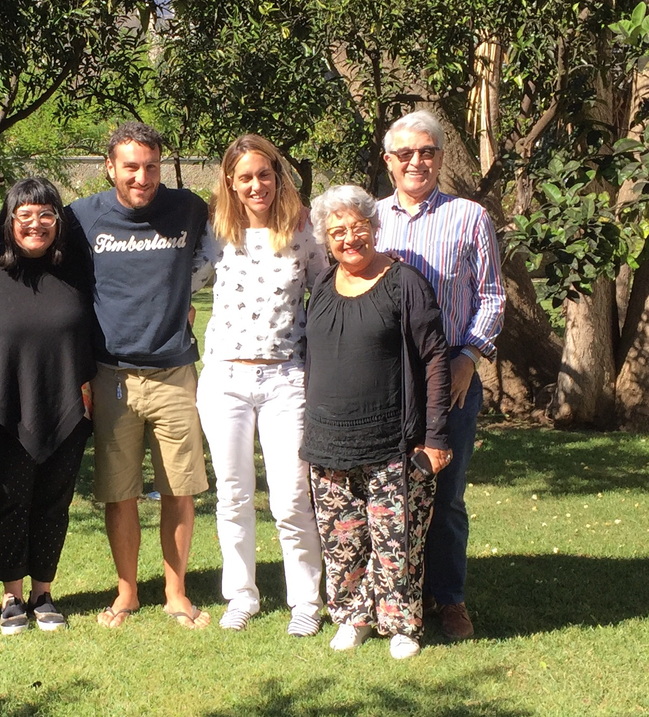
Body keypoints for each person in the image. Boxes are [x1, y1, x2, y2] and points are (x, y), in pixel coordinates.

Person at [66, 121, 216, 629]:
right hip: (112, 376)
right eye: (131, 167)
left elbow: (238, 226)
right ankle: (126, 592)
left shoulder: (188, 208)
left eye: (151, 166)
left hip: (175, 371)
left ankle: (176, 592)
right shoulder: (82, 217)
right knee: (119, 491)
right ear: (110, 167)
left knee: (179, 488)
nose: (142, 177)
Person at [303, 184, 452, 659]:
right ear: (326, 240)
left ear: (374, 227)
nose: (350, 238)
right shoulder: (322, 285)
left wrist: (435, 436)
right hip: (329, 444)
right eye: (338, 231)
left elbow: (435, 359)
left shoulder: (404, 282)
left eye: (358, 227)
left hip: (393, 443)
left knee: (396, 541)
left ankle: (402, 624)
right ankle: (352, 618)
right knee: (342, 541)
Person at [375, 110, 505, 641]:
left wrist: (469, 357)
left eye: (426, 152)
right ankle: (393, 596)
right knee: (388, 489)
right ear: (388, 161)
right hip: (385, 371)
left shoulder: (470, 217)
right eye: (405, 153)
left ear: (441, 158)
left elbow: (492, 297)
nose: (416, 162)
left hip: (451, 369)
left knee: (446, 492)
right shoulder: (370, 219)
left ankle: (449, 599)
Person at [196, 134, 326, 636]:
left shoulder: (303, 230)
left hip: (285, 378)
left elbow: (329, 292)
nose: (256, 186)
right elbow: (182, 282)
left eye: (264, 175)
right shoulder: (216, 232)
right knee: (233, 495)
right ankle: (241, 595)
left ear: (278, 175)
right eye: (245, 177)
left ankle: (305, 601)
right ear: (230, 181)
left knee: (291, 497)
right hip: (225, 377)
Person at [0, 178, 96, 634]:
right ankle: (11, 596)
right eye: (24, 215)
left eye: (45, 215)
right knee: (6, 503)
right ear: (8, 222)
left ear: (58, 222)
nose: (35, 224)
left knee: (53, 503)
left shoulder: (78, 267)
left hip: (67, 405)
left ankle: (43, 593)